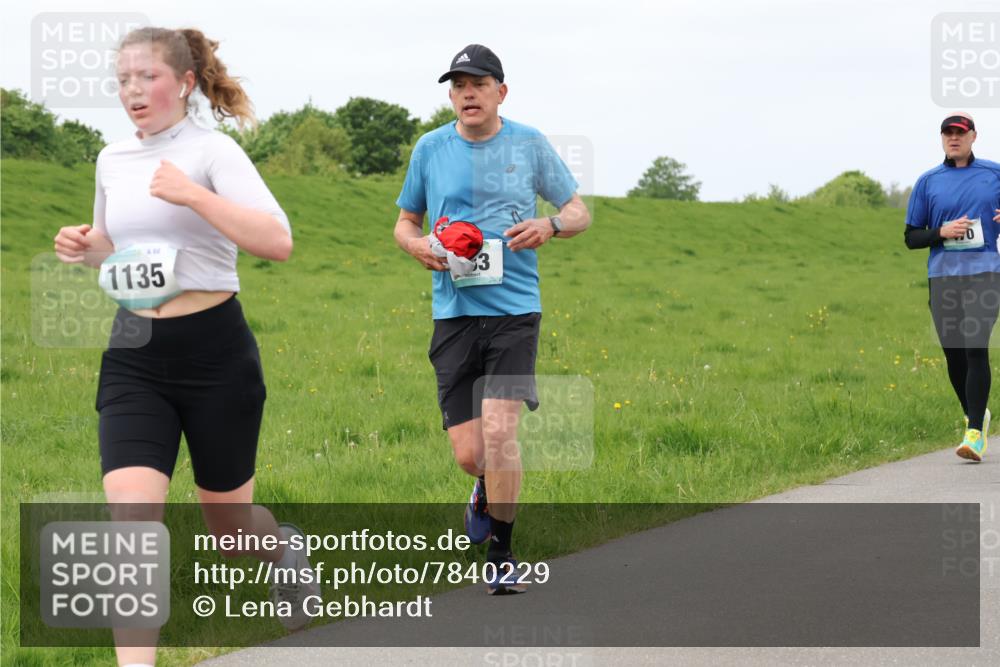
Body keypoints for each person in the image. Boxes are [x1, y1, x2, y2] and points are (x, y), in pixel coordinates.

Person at [52, 27, 317, 665]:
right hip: (135, 351)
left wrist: (194, 193)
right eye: (123, 79)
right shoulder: (111, 160)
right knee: (133, 523)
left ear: (185, 83)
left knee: (229, 534)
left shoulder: (212, 153)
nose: (133, 91)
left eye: (147, 76)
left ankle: (283, 550)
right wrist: (88, 250)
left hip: (216, 355)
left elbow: (277, 241)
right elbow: (120, 255)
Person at [393, 44, 591, 593]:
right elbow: (406, 222)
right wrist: (418, 247)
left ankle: (502, 556)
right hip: (454, 315)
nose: (467, 94)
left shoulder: (527, 143)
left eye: (477, 84)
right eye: (457, 86)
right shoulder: (429, 148)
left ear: (500, 92)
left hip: (514, 314)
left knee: (502, 434)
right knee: (471, 454)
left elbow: (580, 211)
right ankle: (482, 486)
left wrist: (551, 226)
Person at [904, 112, 1000, 462]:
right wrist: (940, 232)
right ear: (941, 138)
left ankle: (974, 433)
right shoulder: (928, 182)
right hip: (943, 276)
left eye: (960, 132)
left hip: (985, 272)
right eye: (947, 133)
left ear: (974, 136)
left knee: (976, 348)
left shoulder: (994, 174)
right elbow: (911, 237)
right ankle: (976, 413)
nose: (953, 138)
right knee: (953, 353)